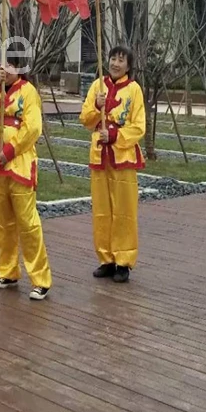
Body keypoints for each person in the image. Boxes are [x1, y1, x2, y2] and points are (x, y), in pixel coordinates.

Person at [0, 52, 52, 300]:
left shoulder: (28, 91)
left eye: (11, 64)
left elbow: (33, 127)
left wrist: (10, 151)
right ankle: (8, 270)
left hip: (19, 163)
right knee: (2, 222)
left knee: (27, 222)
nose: (5, 68)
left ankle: (40, 278)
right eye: (2, 64)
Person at [79, 43, 145, 282]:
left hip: (123, 157)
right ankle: (106, 258)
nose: (115, 64)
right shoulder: (98, 86)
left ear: (128, 65)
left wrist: (116, 136)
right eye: (113, 58)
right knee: (102, 210)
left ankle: (123, 262)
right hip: (99, 156)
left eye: (121, 60)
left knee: (125, 211)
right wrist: (97, 107)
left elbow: (139, 126)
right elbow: (85, 119)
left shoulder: (134, 90)